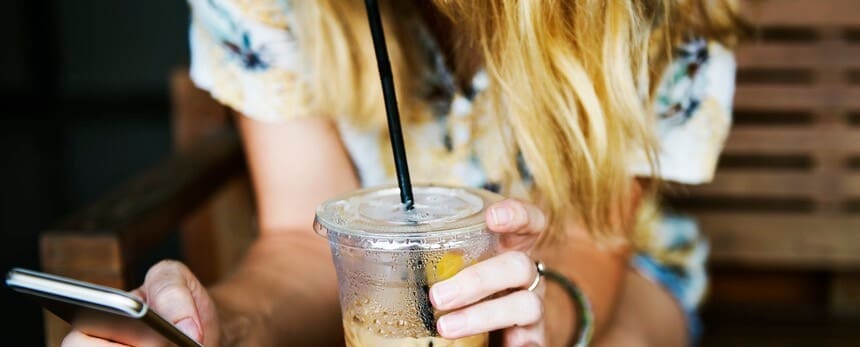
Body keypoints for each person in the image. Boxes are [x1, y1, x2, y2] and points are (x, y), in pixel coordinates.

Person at [63, 0, 745, 346]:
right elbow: (303, 239)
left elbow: (596, 239)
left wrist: (534, 314)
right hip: (379, 287)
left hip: (609, 273)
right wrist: (221, 324)